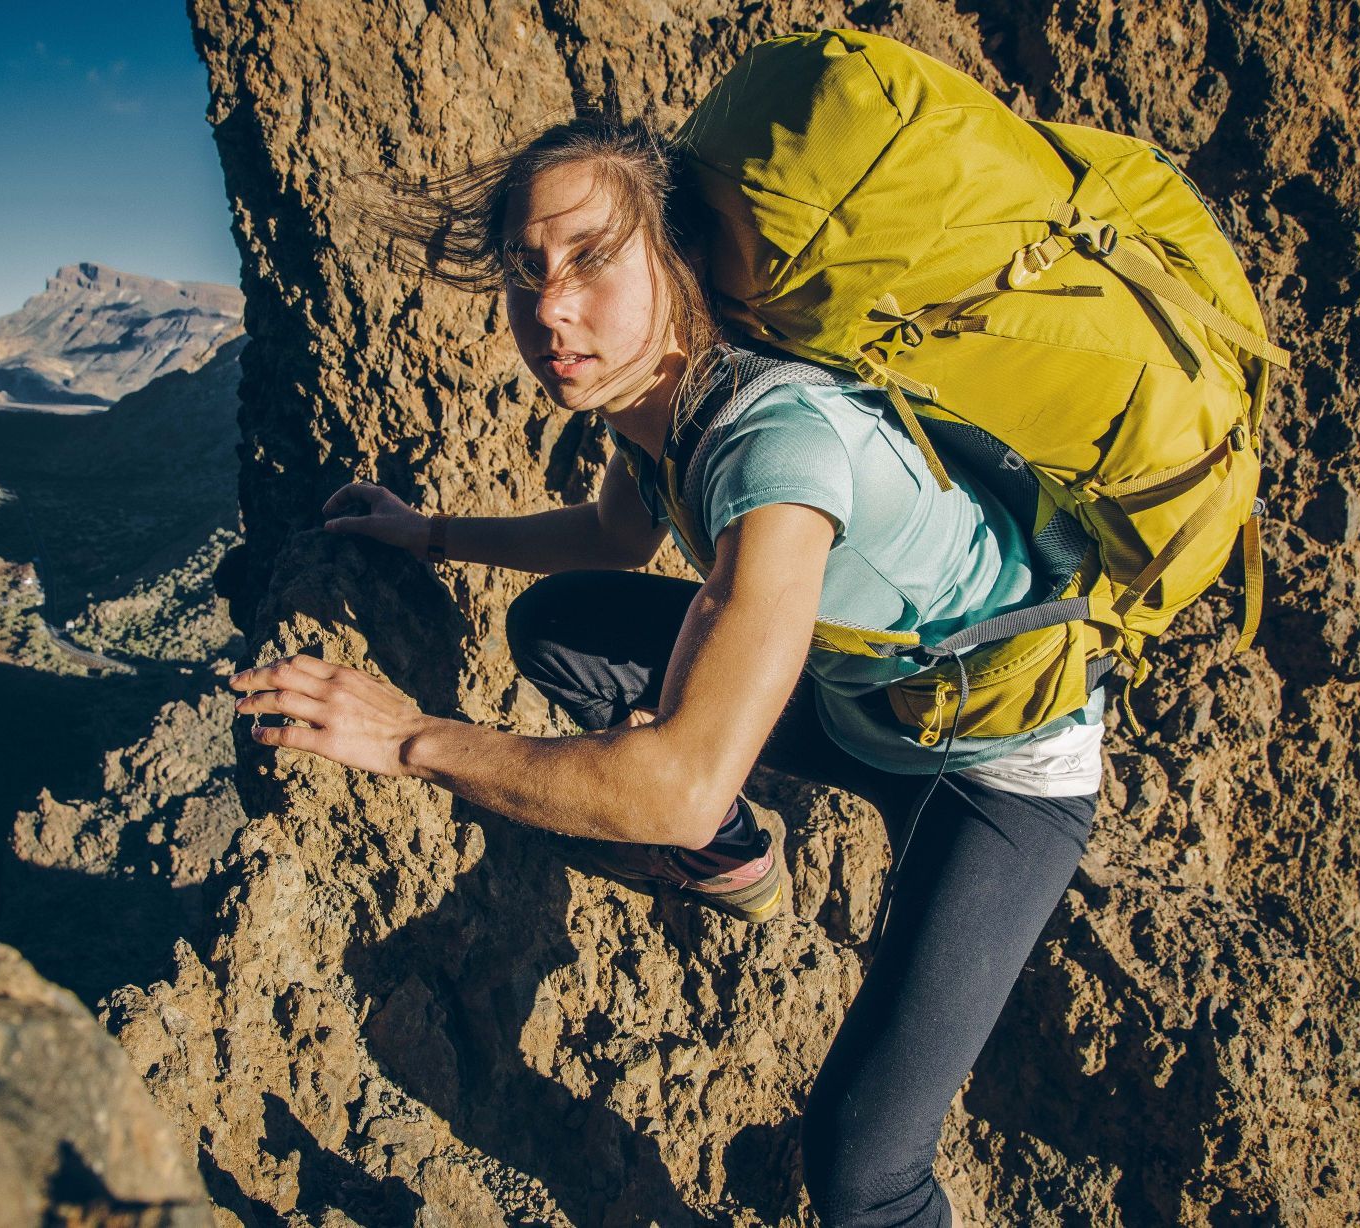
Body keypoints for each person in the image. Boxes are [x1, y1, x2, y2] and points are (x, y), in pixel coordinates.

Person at [228, 115, 1105, 1228]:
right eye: (525, 273)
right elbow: (609, 540)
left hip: (993, 772)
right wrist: (432, 534)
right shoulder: (661, 407)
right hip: (860, 699)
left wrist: (408, 738)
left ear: (672, 256)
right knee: (561, 626)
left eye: (591, 258)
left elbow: (677, 780)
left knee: (860, 1171)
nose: (549, 309)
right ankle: (739, 866)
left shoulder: (768, 439)